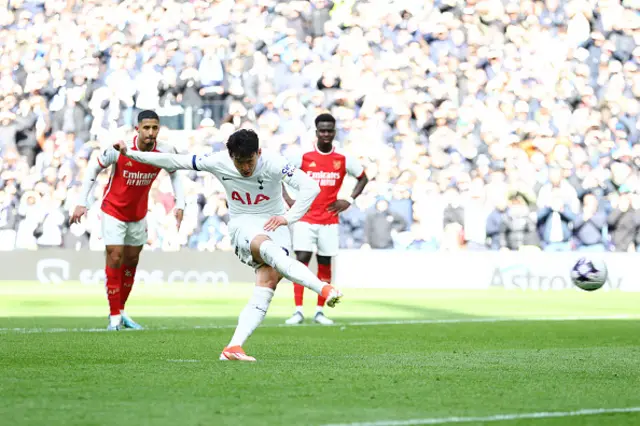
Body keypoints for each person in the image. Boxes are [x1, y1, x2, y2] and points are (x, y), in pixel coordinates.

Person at [112, 129, 343, 362]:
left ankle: (233, 347)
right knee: (269, 251)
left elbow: (310, 187)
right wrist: (130, 154)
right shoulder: (218, 161)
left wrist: (289, 218)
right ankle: (323, 288)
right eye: (239, 162)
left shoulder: (274, 162)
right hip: (243, 224)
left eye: (250, 161)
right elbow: (173, 160)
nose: (245, 168)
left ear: (259, 153)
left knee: (268, 282)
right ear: (230, 155)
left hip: (275, 224)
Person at [70, 110, 185, 331]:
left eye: (155, 128)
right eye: (146, 128)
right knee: (115, 256)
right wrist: (81, 201)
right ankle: (113, 316)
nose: (151, 132)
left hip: (139, 213)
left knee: (131, 261)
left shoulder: (165, 150)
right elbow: (94, 167)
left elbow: (175, 173)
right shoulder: (119, 148)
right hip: (113, 210)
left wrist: (180, 204)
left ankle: (121, 310)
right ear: (137, 129)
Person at [283, 113, 368, 325]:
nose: (326, 134)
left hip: (329, 220)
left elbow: (363, 177)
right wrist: (288, 199)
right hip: (306, 218)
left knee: (324, 263)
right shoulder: (303, 158)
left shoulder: (343, 159)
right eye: (323, 130)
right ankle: (298, 310)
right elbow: (279, 175)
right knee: (301, 261)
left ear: (334, 132)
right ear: (316, 132)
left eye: (330, 130)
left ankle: (320, 311)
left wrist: (349, 199)